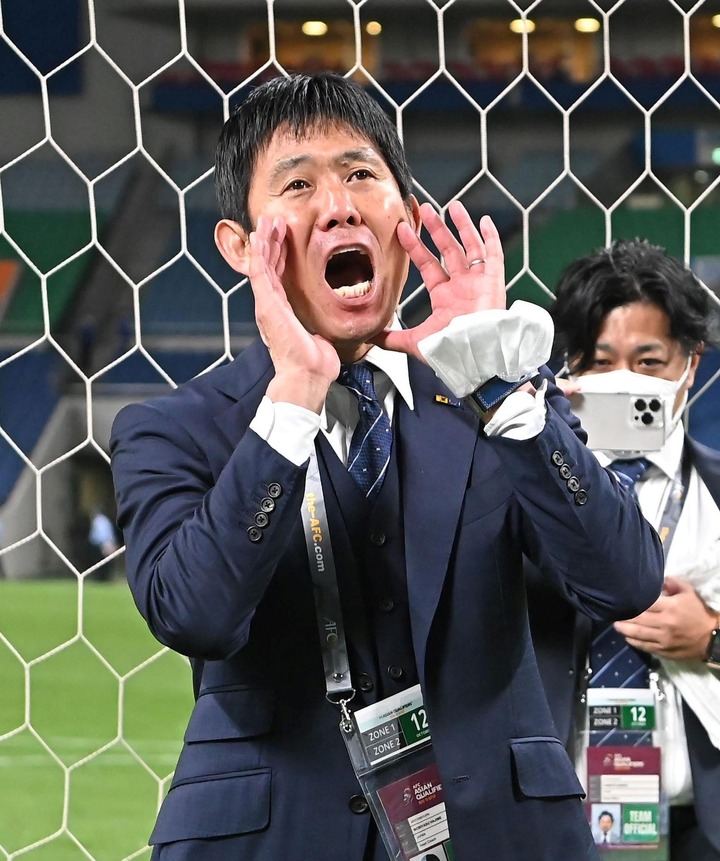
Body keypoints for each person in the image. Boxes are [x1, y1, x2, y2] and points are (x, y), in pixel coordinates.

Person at [109, 73, 663, 861]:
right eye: (298, 184)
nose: (338, 204)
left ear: (406, 214)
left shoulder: (499, 396)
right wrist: (293, 398)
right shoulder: (174, 428)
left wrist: (504, 396)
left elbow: (625, 581)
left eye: (361, 174)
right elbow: (194, 614)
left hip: (498, 836)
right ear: (239, 245)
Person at [535, 238, 720, 861]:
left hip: (702, 827)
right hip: (554, 822)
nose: (625, 383)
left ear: (690, 364)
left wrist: (710, 638)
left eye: (648, 362)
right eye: (601, 362)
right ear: (568, 368)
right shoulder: (517, 498)